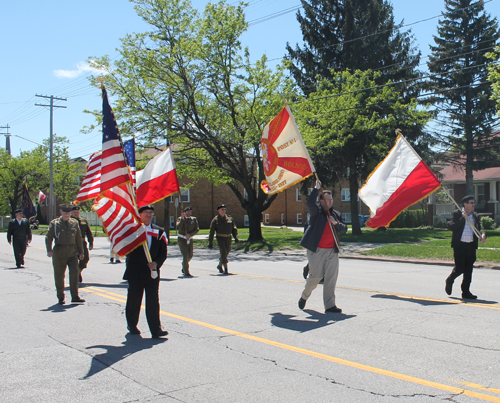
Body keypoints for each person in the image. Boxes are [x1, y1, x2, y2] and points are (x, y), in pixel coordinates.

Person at [298, 181, 347, 313]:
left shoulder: (336, 214)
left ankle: (330, 305)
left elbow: (344, 229)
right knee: (315, 278)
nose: (330, 201)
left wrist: (335, 223)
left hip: (332, 251)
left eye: (331, 199)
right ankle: (304, 296)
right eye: (327, 199)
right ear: (321, 201)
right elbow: (309, 203)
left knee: (331, 277)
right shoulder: (316, 213)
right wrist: (316, 189)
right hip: (317, 251)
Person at [123, 205, 168, 338]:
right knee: (134, 300)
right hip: (135, 271)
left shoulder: (159, 232)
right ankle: (132, 325)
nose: (148, 215)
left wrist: (157, 263)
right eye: (146, 213)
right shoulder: (132, 231)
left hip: (152, 272)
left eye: (151, 213)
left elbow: (163, 253)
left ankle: (156, 329)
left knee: (153, 300)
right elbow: (126, 249)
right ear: (140, 215)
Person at [445, 195, 487, 299]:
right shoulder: (457, 214)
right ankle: (449, 280)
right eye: (471, 203)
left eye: (474, 203)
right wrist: (463, 219)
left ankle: (466, 292)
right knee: (460, 268)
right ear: (465, 204)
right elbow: (451, 226)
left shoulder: (475, 215)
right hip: (460, 246)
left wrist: (482, 235)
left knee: (468, 270)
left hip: (471, 246)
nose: (473, 205)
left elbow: (479, 229)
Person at [45, 204, 85, 304]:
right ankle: (60, 296)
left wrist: (81, 252)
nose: (67, 214)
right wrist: (49, 250)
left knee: (75, 273)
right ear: (61, 212)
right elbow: (48, 237)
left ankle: (75, 296)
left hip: (72, 252)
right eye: (65, 212)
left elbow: (78, 238)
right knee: (59, 275)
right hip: (59, 252)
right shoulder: (55, 224)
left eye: (68, 212)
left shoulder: (74, 223)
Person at [208, 204, 239, 274]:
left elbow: (234, 229)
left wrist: (236, 237)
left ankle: (219, 265)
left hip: (228, 238)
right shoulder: (215, 220)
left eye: (225, 209)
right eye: (222, 209)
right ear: (218, 211)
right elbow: (212, 232)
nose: (224, 210)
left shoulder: (230, 218)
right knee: (224, 252)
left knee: (226, 253)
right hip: (220, 238)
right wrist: (210, 242)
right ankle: (226, 269)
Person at [71, 205, 94, 283]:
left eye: (77, 212)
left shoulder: (83, 220)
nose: (76, 213)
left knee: (85, 259)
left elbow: (88, 232)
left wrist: (91, 242)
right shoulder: (68, 221)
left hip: (82, 243)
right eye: (74, 212)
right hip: (72, 244)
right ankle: (75, 274)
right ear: (71, 212)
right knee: (73, 261)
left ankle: (78, 271)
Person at [176, 206, 199, 277]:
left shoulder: (194, 219)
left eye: (190, 211)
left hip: (189, 239)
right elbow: (178, 227)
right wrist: (183, 219)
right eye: (187, 211)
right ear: (184, 212)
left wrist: (190, 234)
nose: (189, 212)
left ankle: (184, 264)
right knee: (185, 255)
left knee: (190, 255)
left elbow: (197, 229)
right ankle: (186, 271)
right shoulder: (180, 219)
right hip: (182, 239)